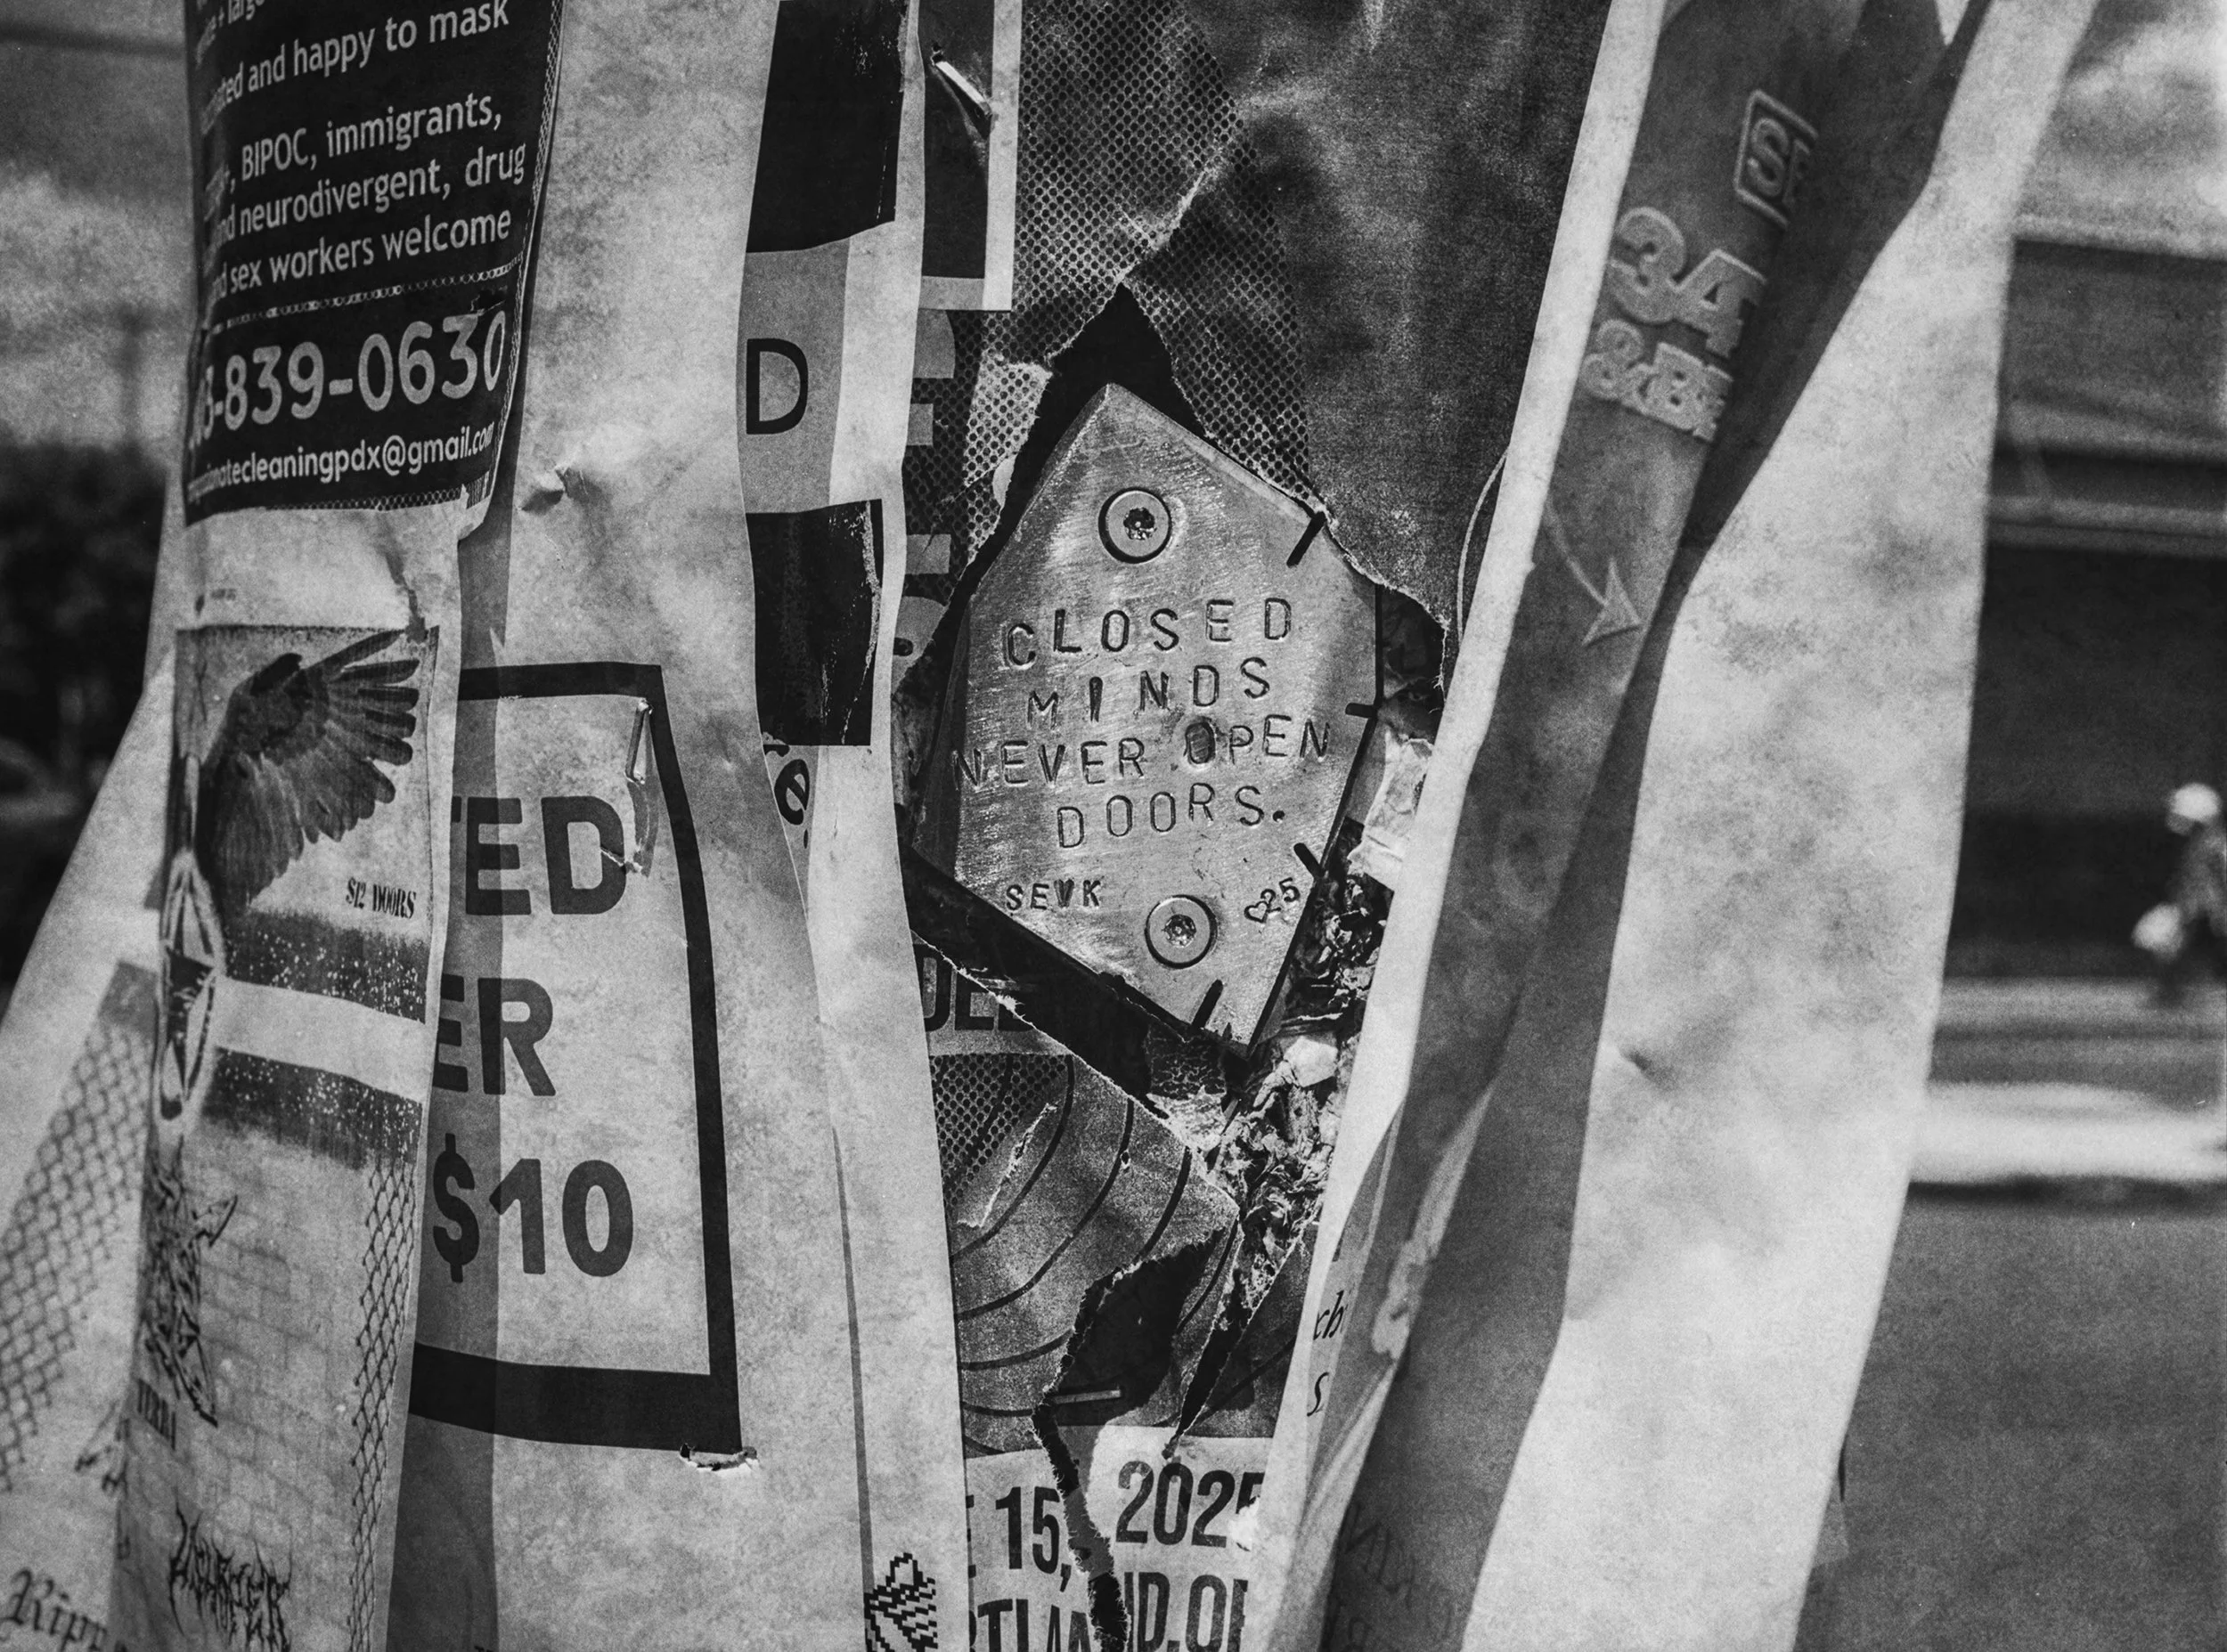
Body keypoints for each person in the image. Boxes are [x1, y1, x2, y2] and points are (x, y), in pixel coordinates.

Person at [2134, 782, 2227, 1003]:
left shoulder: (2218, 848)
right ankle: (2172, 990)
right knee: (2157, 934)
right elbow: (2191, 888)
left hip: (2216, 910)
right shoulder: (2198, 846)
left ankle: (2179, 989)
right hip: (2201, 910)